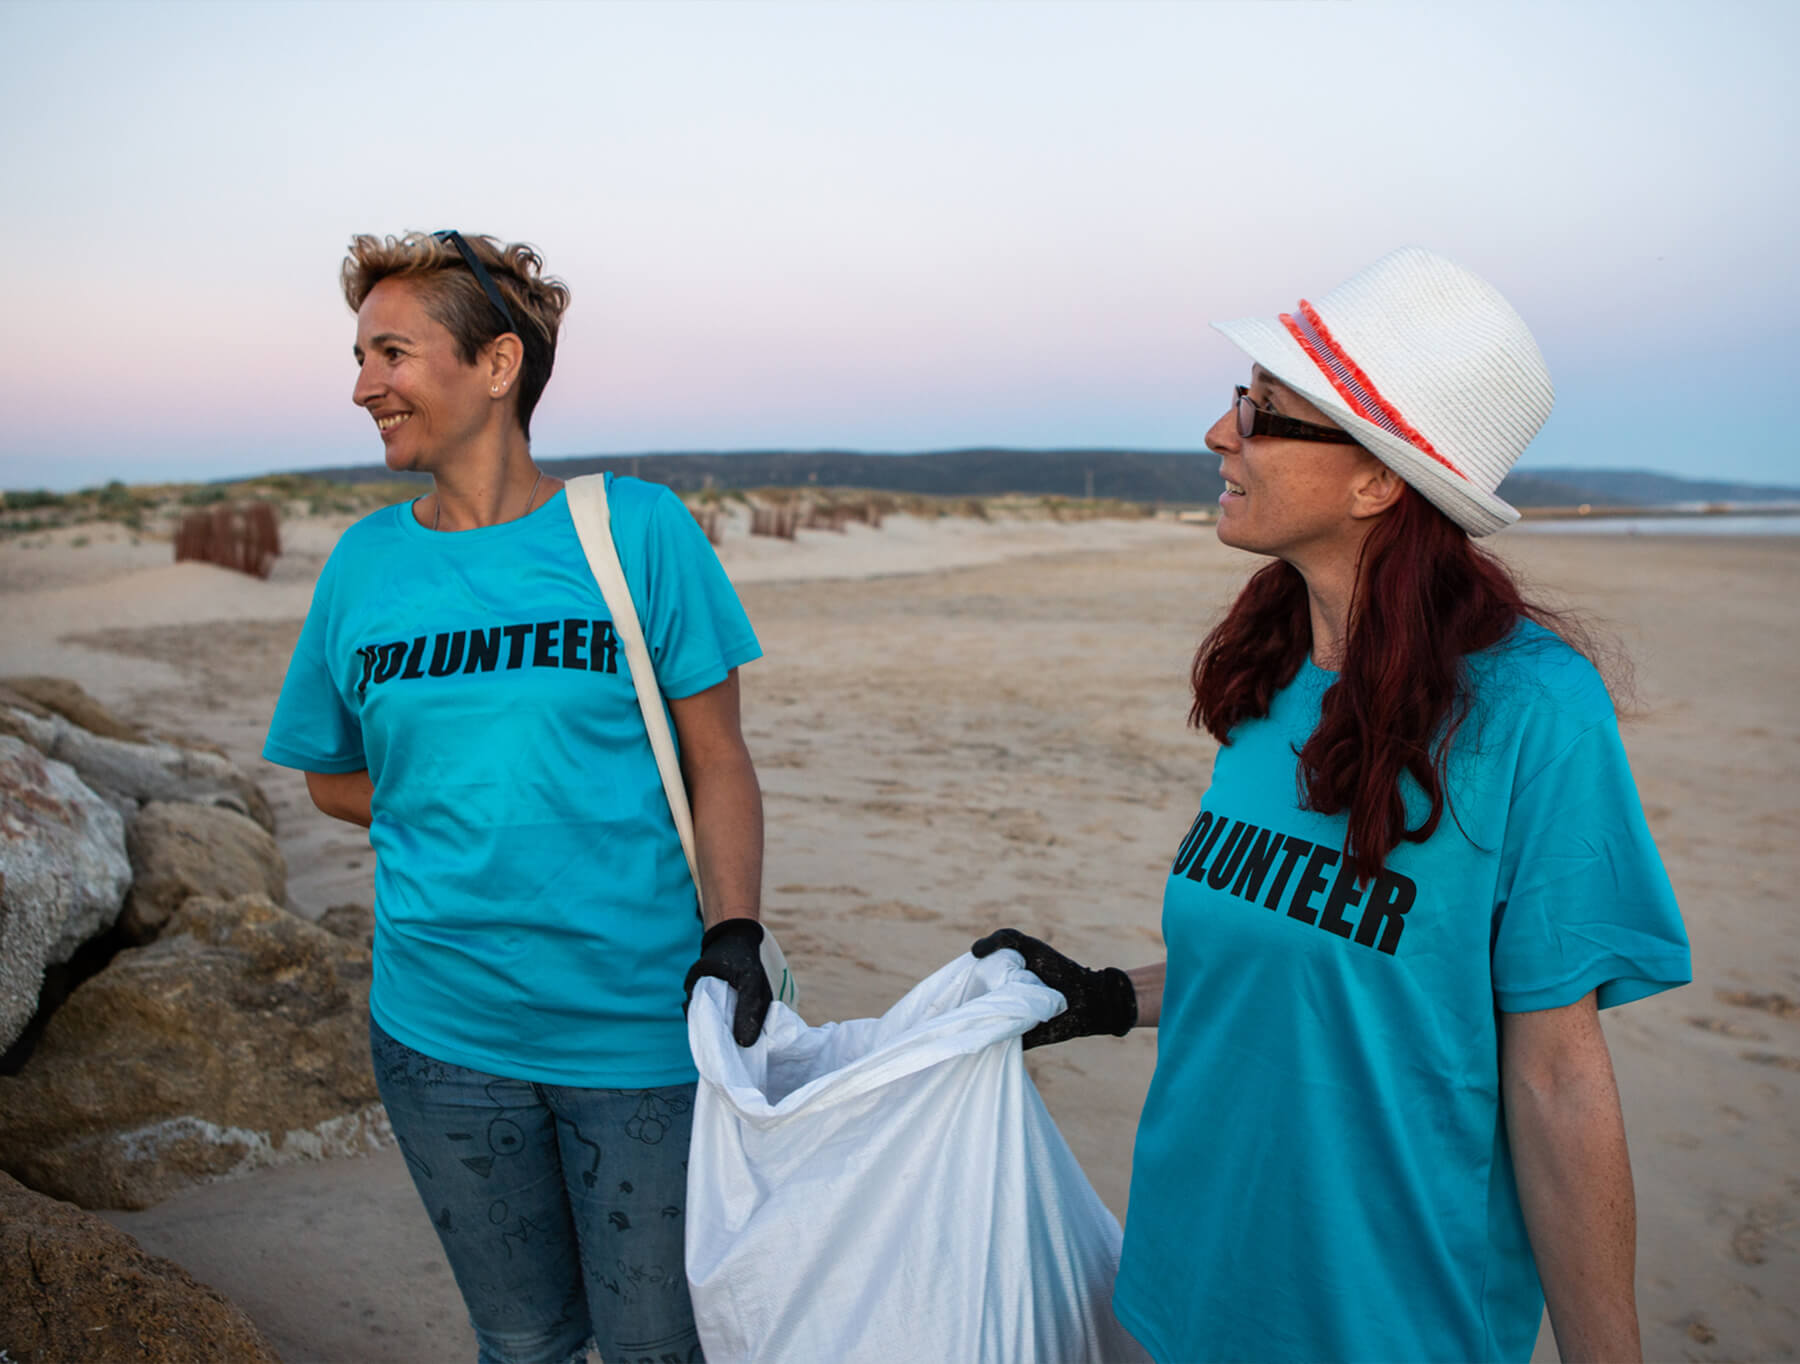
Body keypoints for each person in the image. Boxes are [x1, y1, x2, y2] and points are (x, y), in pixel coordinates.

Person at [975, 246, 1691, 1364]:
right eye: (1236, 401)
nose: (1222, 434)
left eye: (1264, 413)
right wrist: (1109, 994)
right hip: (1177, 1286)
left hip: (1381, 1319)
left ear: (1377, 478)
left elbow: (1554, 1069)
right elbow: (1302, 941)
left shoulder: (1530, 710)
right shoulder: (1268, 675)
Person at [264, 230, 772, 1364]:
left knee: (656, 1346)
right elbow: (329, 772)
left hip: (638, 1028)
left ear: (497, 365)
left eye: (391, 351)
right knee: (525, 1340)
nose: (362, 385)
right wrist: (454, 811)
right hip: (439, 1033)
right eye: (358, 355)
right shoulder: (362, 565)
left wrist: (733, 931)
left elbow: (720, 759)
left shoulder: (634, 531)